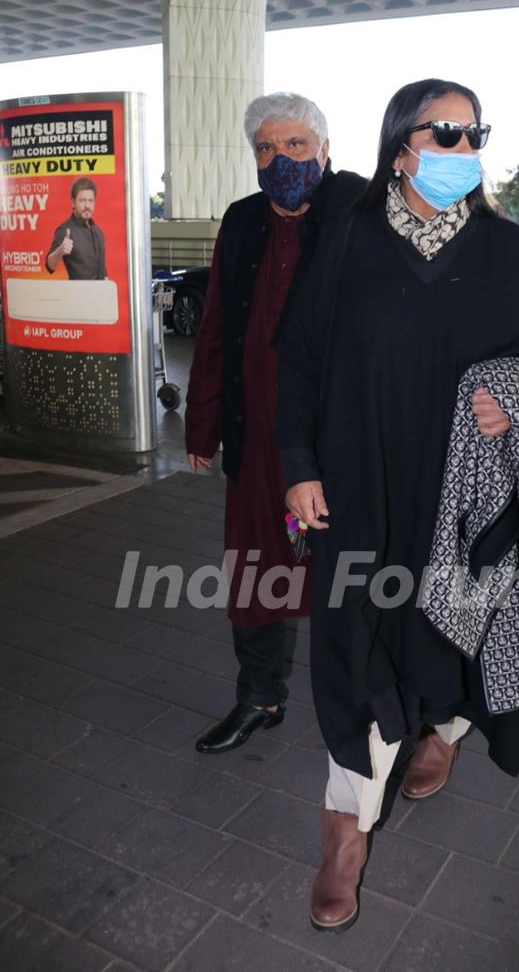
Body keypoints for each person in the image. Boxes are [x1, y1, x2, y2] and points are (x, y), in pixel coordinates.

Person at [277, 79, 519, 933]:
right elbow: (301, 363)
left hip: (468, 500)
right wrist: (297, 464)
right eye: (449, 133)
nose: (467, 149)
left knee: (455, 632)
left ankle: (445, 732)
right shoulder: (348, 240)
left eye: (476, 133)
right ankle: (346, 829)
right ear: (402, 148)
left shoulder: (505, 250)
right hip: (362, 491)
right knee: (352, 646)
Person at [185, 92, 365, 754]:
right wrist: (202, 427)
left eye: (294, 145)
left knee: (349, 578)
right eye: (265, 147)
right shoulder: (242, 221)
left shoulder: (358, 214)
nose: (279, 158)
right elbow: (216, 332)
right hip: (258, 442)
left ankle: (368, 717)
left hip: (337, 445)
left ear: (323, 147)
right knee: (255, 573)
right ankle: (259, 696)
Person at [46, 178, 106, 279]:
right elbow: (49, 265)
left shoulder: (98, 231)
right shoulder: (65, 230)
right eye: (82, 201)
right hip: (77, 294)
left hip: (101, 293)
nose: (87, 205)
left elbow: (102, 269)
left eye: (90, 201)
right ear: (73, 202)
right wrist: (60, 251)